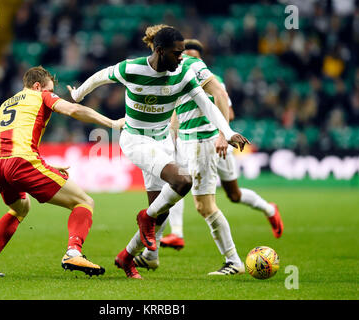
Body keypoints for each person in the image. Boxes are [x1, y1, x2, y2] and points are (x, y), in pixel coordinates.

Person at [70, 26, 250, 278]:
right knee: (182, 181)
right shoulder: (131, 68)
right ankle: (146, 218)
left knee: (161, 211)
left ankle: (127, 256)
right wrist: (78, 94)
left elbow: (206, 105)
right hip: (136, 140)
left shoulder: (184, 72)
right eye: (177, 53)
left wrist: (228, 133)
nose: (181, 58)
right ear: (160, 50)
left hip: (163, 141)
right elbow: (101, 76)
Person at [0, 66, 124, 277]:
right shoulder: (41, 95)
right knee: (84, 201)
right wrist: (112, 123)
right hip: (22, 163)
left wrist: (47, 166)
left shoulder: (6, 103)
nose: (51, 92)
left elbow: (16, 141)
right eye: (50, 88)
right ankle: (73, 252)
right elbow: (73, 110)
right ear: (38, 86)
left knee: (20, 208)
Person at [131, 32, 247, 276]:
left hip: (201, 142)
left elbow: (220, 94)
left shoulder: (192, 66)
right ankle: (151, 255)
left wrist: (222, 133)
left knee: (205, 206)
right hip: (184, 142)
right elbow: (176, 111)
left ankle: (234, 261)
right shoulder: (169, 73)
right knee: (167, 195)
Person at [159, 39, 284, 252]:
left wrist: (221, 134)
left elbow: (229, 110)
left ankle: (269, 209)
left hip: (217, 142)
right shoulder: (177, 76)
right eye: (185, 55)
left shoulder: (213, 79)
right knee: (177, 183)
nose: (188, 60)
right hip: (191, 142)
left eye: (193, 57)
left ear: (201, 59)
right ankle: (177, 234)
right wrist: (172, 137)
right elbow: (176, 112)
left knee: (233, 195)